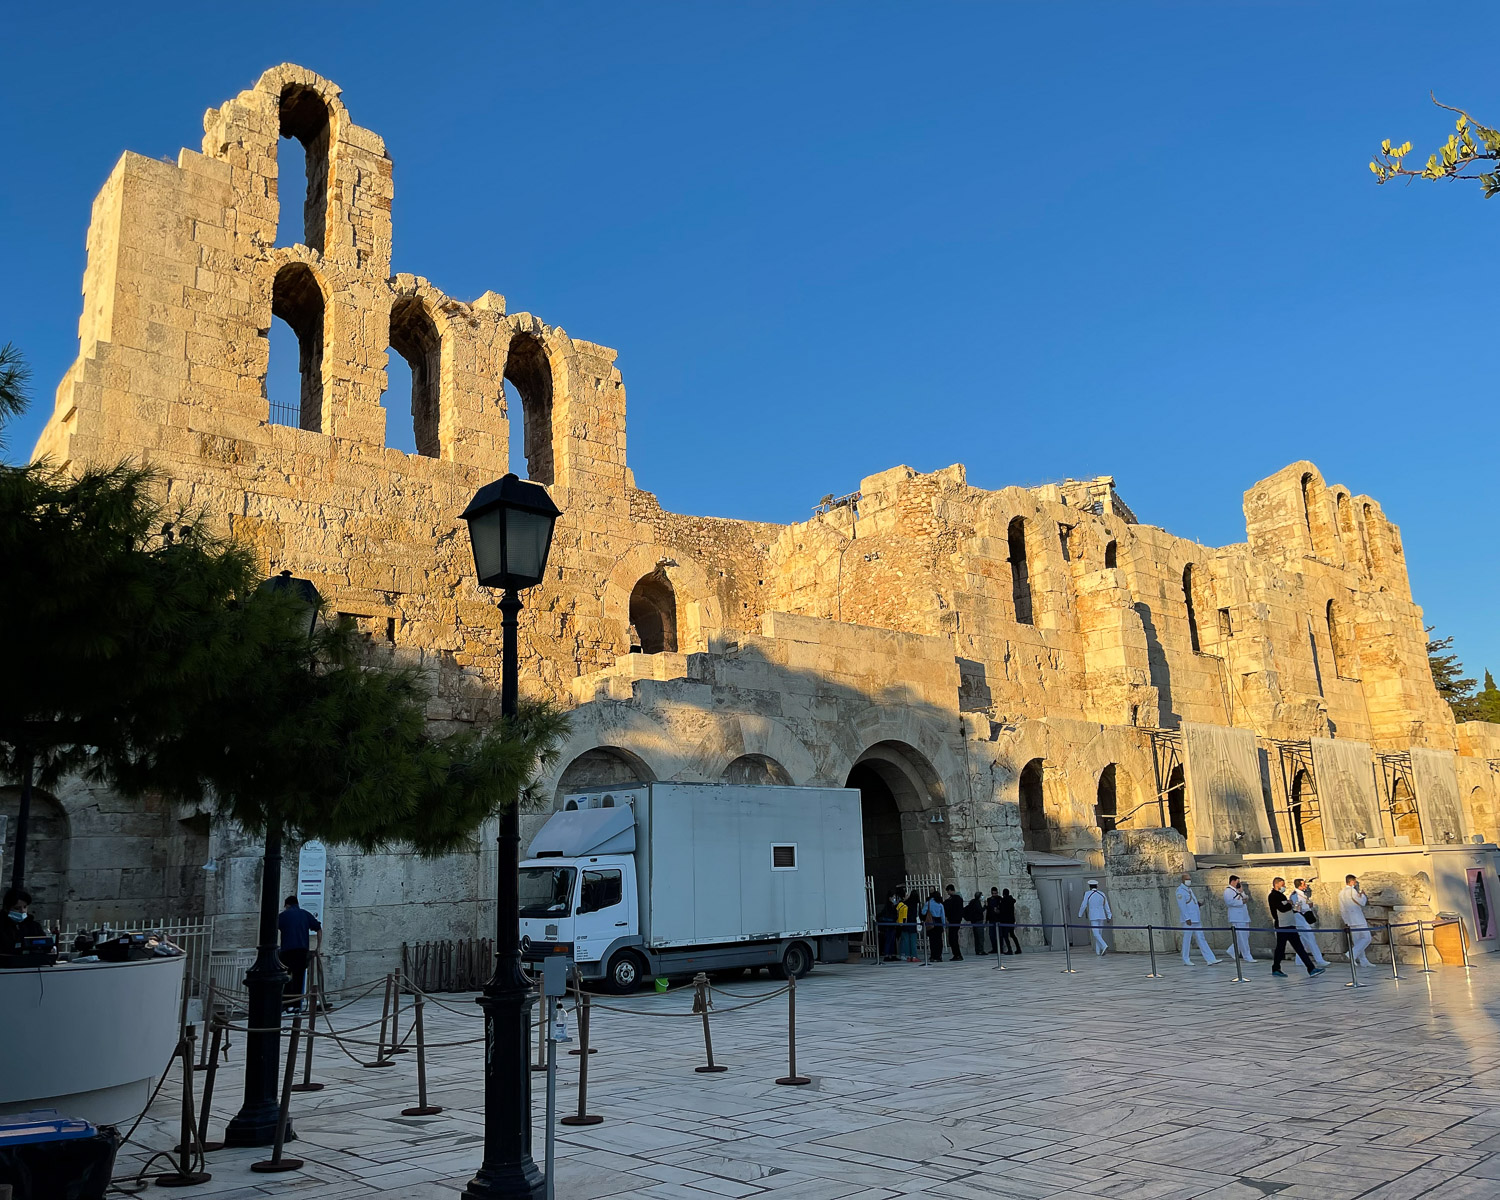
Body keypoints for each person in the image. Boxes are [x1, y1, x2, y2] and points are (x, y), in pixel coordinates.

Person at [1269, 878, 1324, 978]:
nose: (1284, 886)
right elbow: (1282, 908)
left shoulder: (1281, 895)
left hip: (1290, 924)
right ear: (1277, 885)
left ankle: (1311, 968)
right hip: (1282, 926)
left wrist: (1291, 905)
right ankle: (1276, 968)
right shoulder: (1273, 896)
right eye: (1282, 884)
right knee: (1280, 948)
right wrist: (1289, 904)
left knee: (1299, 947)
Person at [277, 894, 322, 1010]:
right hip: (302, 951)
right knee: (299, 978)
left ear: (287, 905)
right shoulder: (305, 914)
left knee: (286, 978)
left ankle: (286, 1004)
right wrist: (318, 947)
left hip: (287, 951)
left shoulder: (283, 915)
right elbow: (318, 928)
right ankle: (296, 1006)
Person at [1175, 874, 1218, 965]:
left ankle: (1210, 958)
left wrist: (1199, 904)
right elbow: (1182, 906)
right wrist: (1187, 918)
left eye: (1189, 879)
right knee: (1187, 940)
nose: (1189, 881)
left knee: (1201, 938)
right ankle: (1185, 959)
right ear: (1182, 880)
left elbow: (1191, 902)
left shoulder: (1189, 889)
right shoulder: (1180, 891)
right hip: (1189, 920)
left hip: (1196, 918)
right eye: (1187, 879)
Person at [1291, 878, 1329, 968]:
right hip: (1300, 920)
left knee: (1304, 942)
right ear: (1299, 886)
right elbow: (1297, 908)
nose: (1306, 886)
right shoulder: (1295, 895)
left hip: (1303, 919)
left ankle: (1299, 960)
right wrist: (1308, 906)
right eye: (1304, 884)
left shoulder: (1302, 894)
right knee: (1311, 939)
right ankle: (1319, 960)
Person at [1339, 873, 1374, 968]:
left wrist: (1346, 921)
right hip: (1358, 919)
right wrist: (1363, 896)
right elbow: (1362, 902)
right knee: (1367, 938)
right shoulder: (1352, 891)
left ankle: (1363, 960)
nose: (1355, 883)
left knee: (1357, 941)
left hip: (1350, 920)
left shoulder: (1341, 893)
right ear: (1351, 882)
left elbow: (1342, 909)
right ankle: (1352, 954)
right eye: (1354, 881)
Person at [2, 888, 47, 954]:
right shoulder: (2, 926)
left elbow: (44, 945)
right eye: (17, 908)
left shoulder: (34, 926)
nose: (22, 911)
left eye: (25, 907)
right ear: (6, 909)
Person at [1222, 875, 1255, 962]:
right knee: (1242, 937)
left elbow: (1246, 898)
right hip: (1237, 917)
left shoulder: (1238, 890)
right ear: (1233, 881)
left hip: (1244, 916)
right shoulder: (1228, 891)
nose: (1238, 884)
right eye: (1237, 882)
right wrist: (1241, 902)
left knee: (1244, 936)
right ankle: (1247, 956)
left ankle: (1232, 950)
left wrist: (1242, 891)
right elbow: (1229, 902)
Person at [1078, 879, 1112, 955]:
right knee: (1099, 934)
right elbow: (1106, 905)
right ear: (1097, 886)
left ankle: (1104, 945)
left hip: (1093, 916)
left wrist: (1080, 914)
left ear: (1090, 886)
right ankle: (1098, 951)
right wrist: (1109, 915)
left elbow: (1084, 905)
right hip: (1102, 915)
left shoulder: (1087, 894)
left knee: (1096, 934)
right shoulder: (1102, 894)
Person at [942, 884, 965, 961]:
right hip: (956, 921)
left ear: (950, 890)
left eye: (948, 891)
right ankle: (957, 954)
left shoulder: (954, 899)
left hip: (954, 921)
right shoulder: (958, 899)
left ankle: (957, 954)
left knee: (953, 938)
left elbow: (948, 907)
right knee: (953, 938)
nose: (947, 893)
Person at [923, 889, 946, 962]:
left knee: (932, 940)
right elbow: (943, 916)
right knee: (939, 940)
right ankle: (939, 956)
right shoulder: (940, 904)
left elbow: (923, 912)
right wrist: (944, 925)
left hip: (931, 922)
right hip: (939, 922)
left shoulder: (928, 903)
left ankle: (933, 956)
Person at [877, 891, 900, 961]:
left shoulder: (892, 906)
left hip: (891, 925)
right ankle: (887, 955)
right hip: (889, 925)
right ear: (890, 898)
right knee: (889, 941)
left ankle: (892, 954)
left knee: (892, 941)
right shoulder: (889, 906)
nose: (894, 899)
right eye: (893, 897)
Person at [997, 888, 1021, 954]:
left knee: (1005, 935)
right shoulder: (1011, 900)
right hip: (1011, 920)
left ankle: (1010, 949)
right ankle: (1018, 948)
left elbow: (1001, 910)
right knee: (1012, 934)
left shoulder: (1003, 901)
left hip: (1005, 921)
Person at [901, 889, 921, 961]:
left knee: (906, 941)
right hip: (913, 923)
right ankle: (914, 956)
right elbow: (919, 913)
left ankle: (908, 956)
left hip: (906, 923)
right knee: (913, 941)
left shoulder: (906, 903)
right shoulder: (917, 903)